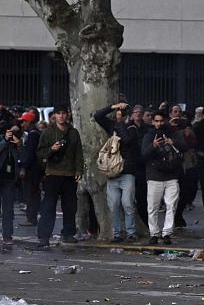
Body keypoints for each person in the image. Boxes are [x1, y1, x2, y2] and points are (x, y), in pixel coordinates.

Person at [35, 105, 83, 249]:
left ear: (67, 115)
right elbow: (40, 153)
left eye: (64, 113)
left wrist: (79, 171)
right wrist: (51, 149)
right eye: (58, 113)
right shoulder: (48, 133)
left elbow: (78, 154)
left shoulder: (73, 133)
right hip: (53, 174)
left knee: (70, 207)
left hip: (69, 174)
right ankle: (44, 236)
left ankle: (68, 233)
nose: (61, 116)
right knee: (48, 207)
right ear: (54, 115)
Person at [92, 102, 141, 242]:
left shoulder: (132, 128)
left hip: (127, 172)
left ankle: (131, 232)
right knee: (113, 205)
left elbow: (126, 139)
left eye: (122, 112)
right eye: (118, 112)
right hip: (112, 172)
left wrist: (120, 122)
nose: (120, 114)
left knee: (127, 203)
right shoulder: (112, 126)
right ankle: (117, 233)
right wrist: (112, 107)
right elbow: (97, 116)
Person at [142, 111, 187, 245]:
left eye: (161, 121)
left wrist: (172, 142)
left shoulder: (173, 133)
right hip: (154, 176)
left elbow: (185, 147)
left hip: (172, 175)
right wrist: (154, 145)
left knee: (171, 205)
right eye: (157, 121)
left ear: (165, 121)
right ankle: (154, 234)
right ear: (152, 122)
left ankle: (167, 233)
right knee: (153, 207)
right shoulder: (149, 135)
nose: (159, 123)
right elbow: (143, 155)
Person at [16, 110, 41, 228]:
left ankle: (31, 218)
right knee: (31, 194)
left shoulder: (33, 135)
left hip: (32, 169)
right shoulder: (32, 134)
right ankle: (31, 217)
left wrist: (24, 168)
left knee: (30, 194)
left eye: (24, 122)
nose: (22, 125)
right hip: (33, 168)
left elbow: (30, 154)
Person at [129, 105, 150, 228]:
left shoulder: (148, 128)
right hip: (132, 164)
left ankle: (144, 222)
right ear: (132, 114)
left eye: (140, 112)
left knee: (143, 197)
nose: (137, 114)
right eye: (135, 112)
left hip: (144, 164)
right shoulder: (128, 127)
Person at [1, 121, 22, 247]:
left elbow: (23, 156)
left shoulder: (17, 142)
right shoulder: (2, 140)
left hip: (9, 180)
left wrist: (19, 144)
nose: (13, 134)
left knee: (8, 210)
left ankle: (7, 235)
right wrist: (4, 140)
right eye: (11, 131)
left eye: (15, 132)